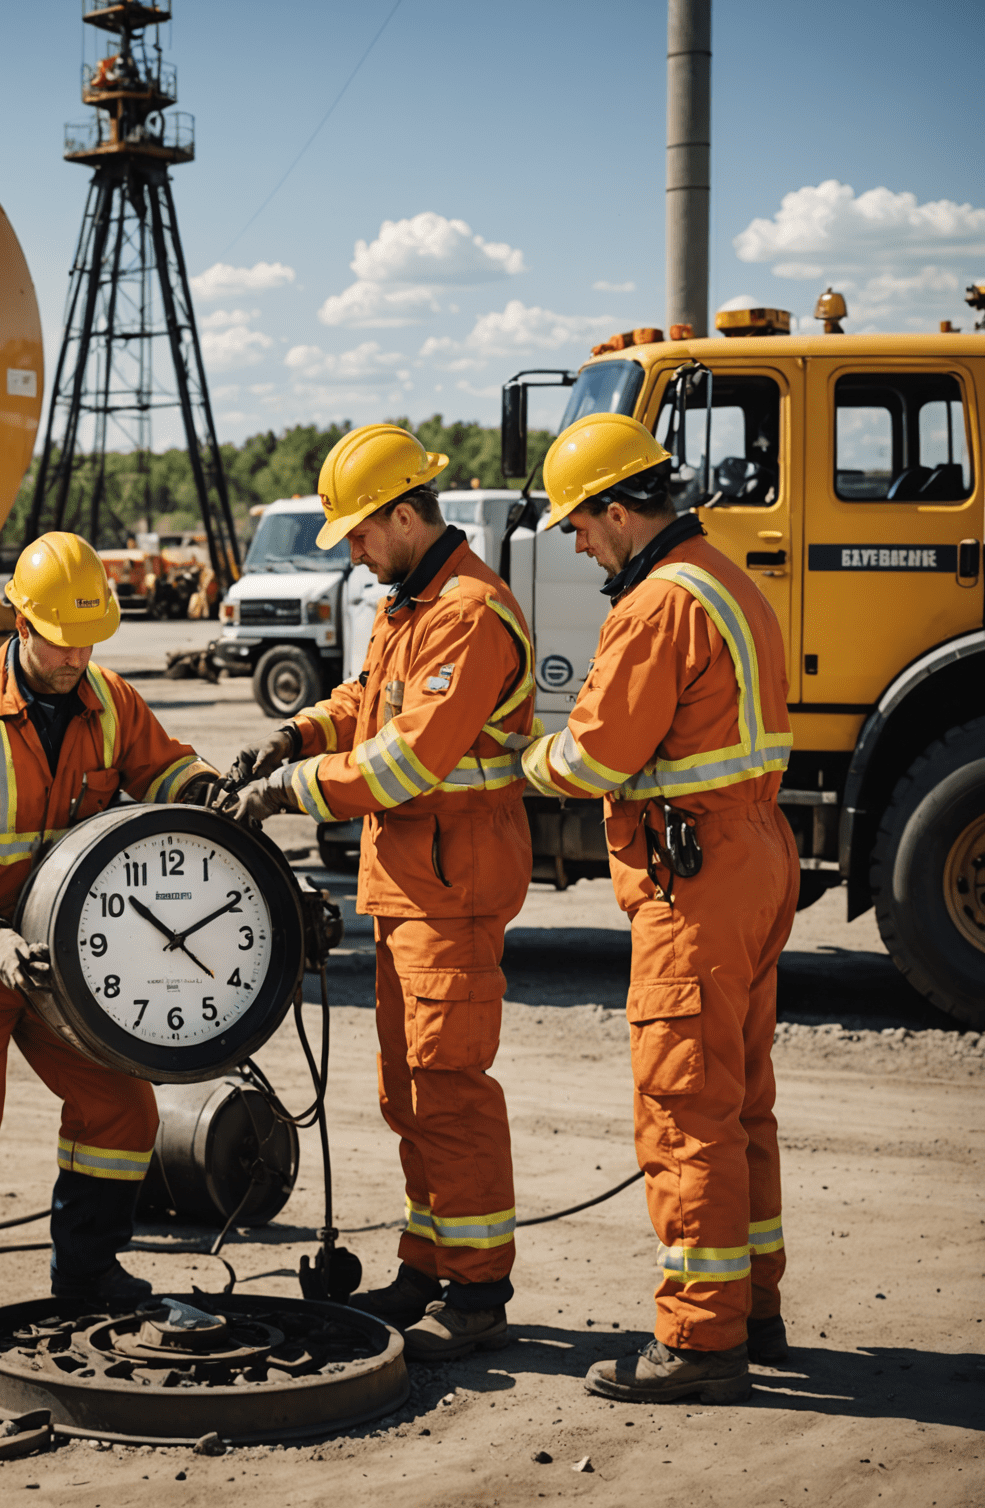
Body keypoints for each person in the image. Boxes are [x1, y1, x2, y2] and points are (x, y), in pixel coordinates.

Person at [224, 423, 537, 1361]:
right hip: (411, 890)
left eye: (360, 533)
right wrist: (291, 735)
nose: (353, 553)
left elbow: (406, 765)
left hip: (454, 888)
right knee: (408, 1093)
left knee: (449, 1089)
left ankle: (477, 1294)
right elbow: (367, 703)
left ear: (407, 514)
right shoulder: (413, 602)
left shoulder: (470, 614)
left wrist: (287, 790)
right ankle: (428, 1261)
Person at [0, 531, 220, 1364]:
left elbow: (164, 771)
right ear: (20, 622)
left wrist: (215, 792)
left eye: (88, 640)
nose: (75, 656)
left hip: (66, 960)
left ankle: (88, 1271)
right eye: (61, 639)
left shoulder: (110, 703)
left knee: (122, 1109)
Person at [519, 412, 797, 1405]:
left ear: (620, 509)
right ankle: (753, 1305)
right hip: (754, 859)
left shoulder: (654, 607)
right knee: (739, 1100)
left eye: (580, 526)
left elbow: (596, 754)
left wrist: (526, 759)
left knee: (683, 1108)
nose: (578, 543)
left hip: (696, 879)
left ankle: (699, 1339)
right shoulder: (727, 580)